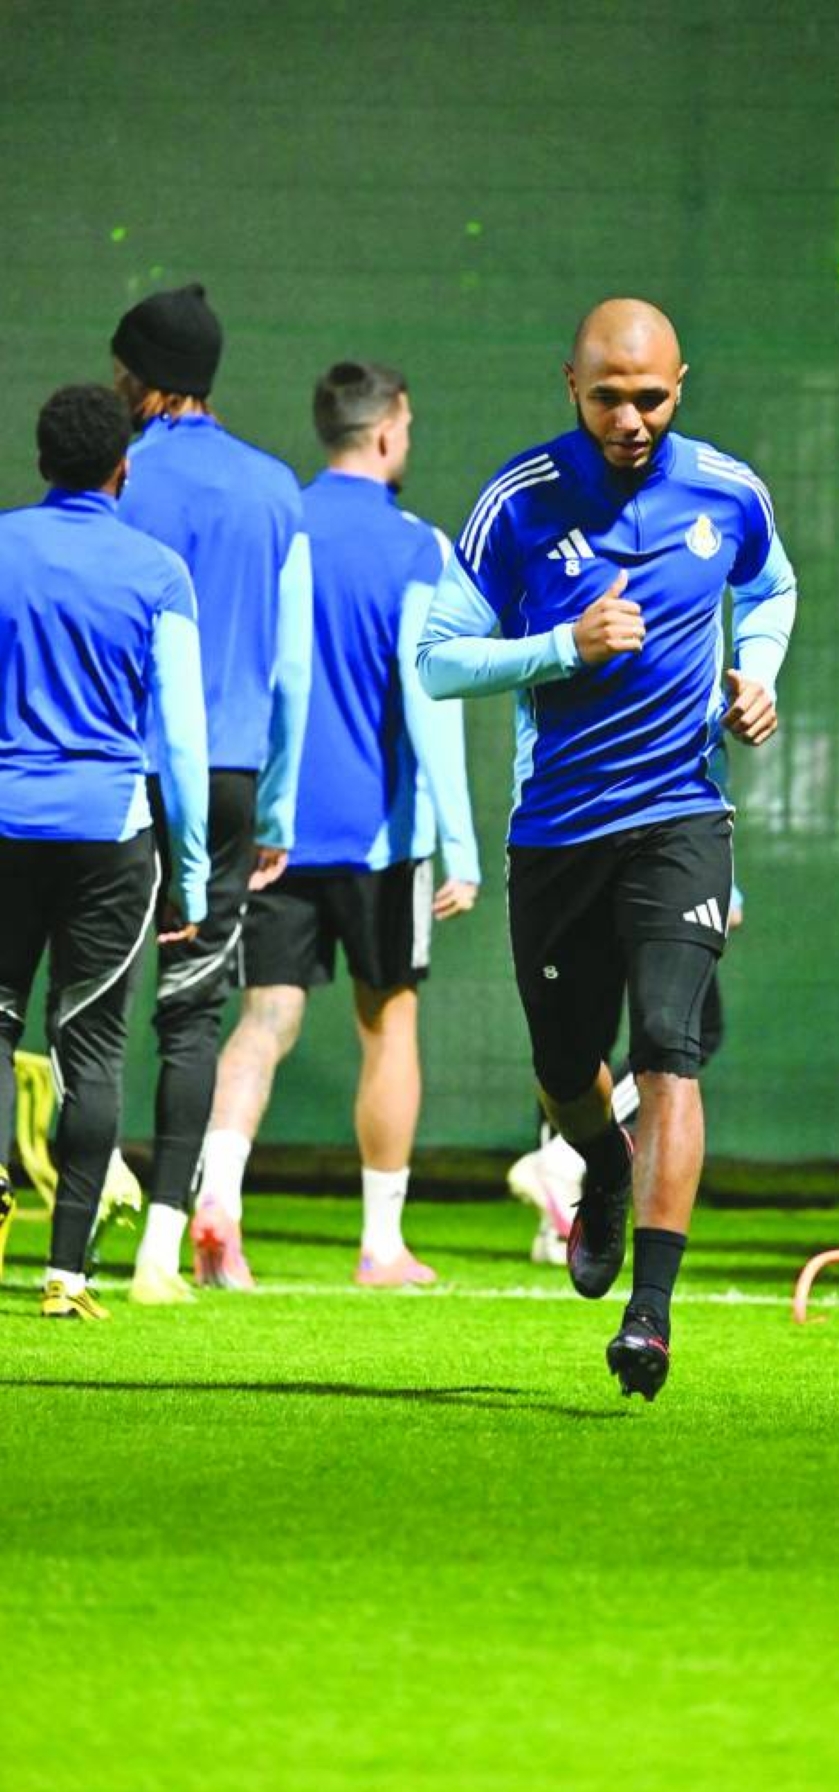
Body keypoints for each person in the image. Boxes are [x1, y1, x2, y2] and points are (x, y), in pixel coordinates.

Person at [419, 297, 797, 1397]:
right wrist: (557, 646)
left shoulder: (727, 491)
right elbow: (439, 660)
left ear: (682, 383)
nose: (630, 419)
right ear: (569, 387)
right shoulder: (519, 502)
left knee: (670, 1042)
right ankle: (603, 1163)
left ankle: (650, 1315)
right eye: (607, 397)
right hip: (558, 832)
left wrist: (758, 672)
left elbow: (770, 588)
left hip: (683, 815)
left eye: (651, 397)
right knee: (562, 1063)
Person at [173, 360, 480, 1296]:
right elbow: (432, 697)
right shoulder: (419, 546)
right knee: (389, 1025)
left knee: (264, 1019)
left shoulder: (281, 525)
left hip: (276, 834)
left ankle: (218, 1197)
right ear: (388, 433)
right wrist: (460, 844)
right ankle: (380, 1244)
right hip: (384, 840)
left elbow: (267, 672)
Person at [110, 285, 314, 1305]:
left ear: (139, 376)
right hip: (231, 779)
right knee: (193, 1015)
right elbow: (292, 672)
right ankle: (160, 1249)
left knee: (81, 1004)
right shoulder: (280, 490)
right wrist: (275, 813)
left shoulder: (114, 475)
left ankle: (84, 1181)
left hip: (112, 772)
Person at [0, 385, 209, 1318]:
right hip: (110, 837)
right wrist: (193, 873)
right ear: (123, 466)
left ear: (42, 460)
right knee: (89, 1046)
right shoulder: (157, 571)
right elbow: (184, 739)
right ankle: (66, 1275)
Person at [509, 905, 739, 1265]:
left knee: (581, 1040)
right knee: (685, 1032)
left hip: (578, 875)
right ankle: (561, 1159)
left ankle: (555, 1227)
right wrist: (726, 893)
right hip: (653, 880)